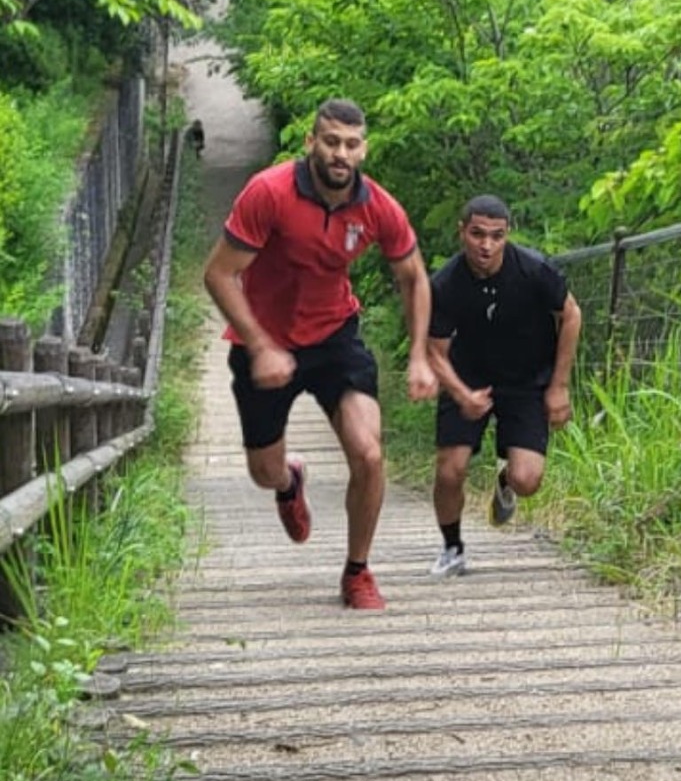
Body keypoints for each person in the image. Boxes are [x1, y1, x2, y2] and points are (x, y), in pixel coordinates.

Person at [203, 97, 437, 610]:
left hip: (334, 338)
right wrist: (261, 345)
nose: (340, 154)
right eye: (331, 142)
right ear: (311, 142)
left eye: (351, 145)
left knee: (369, 453)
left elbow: (414, 277)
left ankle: (357, 571)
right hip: (263, 343)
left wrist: (420, 356)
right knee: (263, 472)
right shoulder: (269, 192)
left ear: (364, 150)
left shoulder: (378, 207)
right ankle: (289, 482)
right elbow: (218, 273)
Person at [427, 194, 582, 577]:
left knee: (527, 480)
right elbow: (435, 351)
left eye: (496, 236)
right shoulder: (444, 284)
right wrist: (461, 394)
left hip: (526, 380)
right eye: (477, 234)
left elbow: (571, 314)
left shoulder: (534, 270)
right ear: (462, 232)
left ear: (507, 234)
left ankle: (506, 480)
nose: (486, 245)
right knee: (450, 470)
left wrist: (559, 386)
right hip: (467, 378)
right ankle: (452, 547)